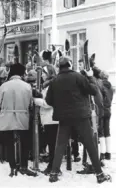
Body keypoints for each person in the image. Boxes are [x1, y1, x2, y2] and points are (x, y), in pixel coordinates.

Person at [45, 56, 111, 184]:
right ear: (70, 64)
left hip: (64, 118)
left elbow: (48, 100)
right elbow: (92, 90)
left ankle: (53, 173)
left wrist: (60, 106)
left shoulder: (55, 81)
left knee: (60, 145)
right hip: (81, 116)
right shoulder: (78, 77)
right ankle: (99, 174)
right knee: (90, 144)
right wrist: (90, 77)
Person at [0, 63, 37, 177]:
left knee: (9, 143)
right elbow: (30, 103)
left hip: (7, 116)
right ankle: (23, 166)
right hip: (22, 116)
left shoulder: (3, 86)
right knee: (25, 142)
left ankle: (12, 167)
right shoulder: (27, 86)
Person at [33, 64, 58, 175]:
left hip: (52, 118)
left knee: (52, 144)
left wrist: (36, 100)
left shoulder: (51, 85)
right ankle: (53, 166)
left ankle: (53, 166)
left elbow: (49, 103)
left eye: (44, 73)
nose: (42, 75)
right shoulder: (47, 85)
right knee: (51, 144)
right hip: (48, 119)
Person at [99, 70, 114, 161]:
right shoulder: (111, 87)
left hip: (102, 110)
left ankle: (102, 153)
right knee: (107, 131)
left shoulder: (101, 86)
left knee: (101, 131)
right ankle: (108, 153)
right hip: (108, 109)